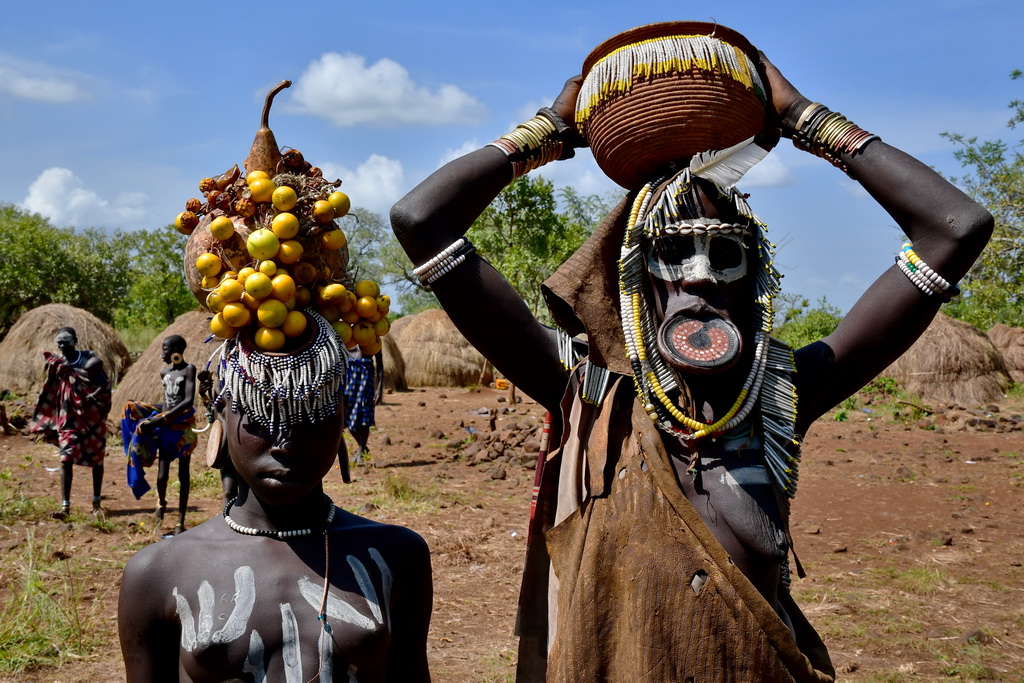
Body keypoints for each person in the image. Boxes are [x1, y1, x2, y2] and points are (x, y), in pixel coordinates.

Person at [391, 24, 992, 682]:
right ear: (636, 279)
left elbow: (955, 228)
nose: (702, 275)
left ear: (751, 283)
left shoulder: (783, 394)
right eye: (674, 252)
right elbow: (423, 220)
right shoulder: (585, 391)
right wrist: (548, 132)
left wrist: (802, 118)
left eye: (725, 253)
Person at [118, 311, 433, 682]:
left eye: (311, 415)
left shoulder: (397, 555)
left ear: (340, 418)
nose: (287, 443)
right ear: (222, 417)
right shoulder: (157, 573)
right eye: (261, 415)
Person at [30, 326, 112, 519]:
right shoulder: (58, 364)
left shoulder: (89, 360)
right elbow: (51, 387)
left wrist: (91, 396)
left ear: (75, 340)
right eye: (59, 342)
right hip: (69, 418)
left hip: (93, 418)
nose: (61, 345)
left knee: (97, 461)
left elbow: (104, 385)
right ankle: (65, 507)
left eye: (65, 341)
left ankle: (96, 503)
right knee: (65, 459)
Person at [121, 335, 197, 533]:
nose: (162, 353)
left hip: (182, 430)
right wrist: (145, 411)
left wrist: (162, 418)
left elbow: (188, 400)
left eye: (165, 349)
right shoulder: (164, 373)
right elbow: (166, 403)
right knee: (162, 475)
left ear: (176, 350)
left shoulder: (189, 370)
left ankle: (181, 520)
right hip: (166, 429)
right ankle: (161, 506)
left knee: (183, 474)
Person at [338, 347, 384, 479]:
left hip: (365, 378)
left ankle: (361, 449)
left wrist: (380, 388)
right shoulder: (345, 335)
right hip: (348, 379)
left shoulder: (371, 336)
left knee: (364, 415)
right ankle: (362, 447)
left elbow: (380, 364)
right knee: (346, 418)